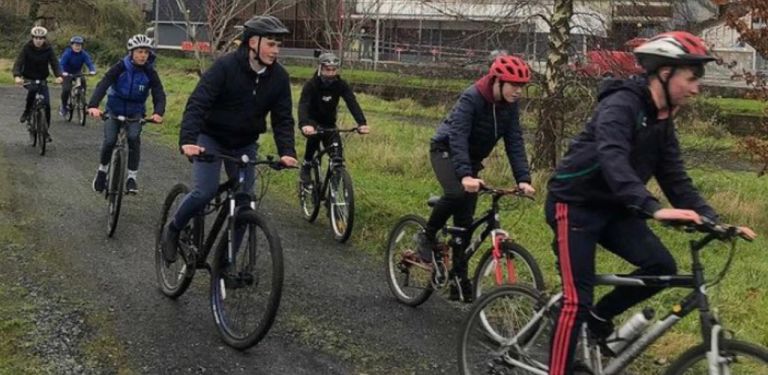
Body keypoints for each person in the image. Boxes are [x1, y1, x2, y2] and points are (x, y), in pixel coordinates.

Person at [545, 31, 757, 375]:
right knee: (575, 301)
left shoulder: (663, 121)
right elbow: (613, 160)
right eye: (691, 79)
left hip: (616, 209)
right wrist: (653, 207)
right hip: (575, 205)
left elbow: (675, 177)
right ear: (664, 73)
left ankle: (599, 319)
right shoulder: (620, 106)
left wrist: (711, 220)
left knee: (661, 267)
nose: (696, 88)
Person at [160, 15, 298, 263]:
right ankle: (174, 229)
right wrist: (188, 140)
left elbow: (283, 119)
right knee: (205, 191)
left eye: (278, 45)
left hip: (244, 143)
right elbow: (198, 103)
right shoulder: (225, 67)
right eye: (271, 44)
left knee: (245, 202)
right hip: (210, 137)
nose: (276, 50)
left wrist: (287, 151)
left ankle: (227, 262)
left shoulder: (279, 78)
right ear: (253, 42)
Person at [416, 55, 536, 302]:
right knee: (457, 193)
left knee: (465, 224)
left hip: (470, 161)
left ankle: (458, 280)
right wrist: (464, 175)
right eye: (514, 84)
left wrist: (523, 179)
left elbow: (515, 141)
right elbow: (457, 136)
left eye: (522, 86)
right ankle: (426, 236)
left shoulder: (509, 107)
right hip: (445, 150)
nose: (518, 91)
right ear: (497, 81)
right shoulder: (472, 97)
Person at [87, 34, 165, 194]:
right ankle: (102, 171)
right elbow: (104, 84)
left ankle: (131, 177)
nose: (143, 55)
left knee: (133, 139)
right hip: (114, 110)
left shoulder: (150, 72)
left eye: (146, 52)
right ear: (131, 53)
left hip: (135, 112)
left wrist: (158, 112)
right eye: (139, 52)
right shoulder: (120, 67)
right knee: (109, 141)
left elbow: (159, 93)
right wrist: (93, 105)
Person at [299, 52, 369, 183]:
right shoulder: (311, 84)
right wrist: (304, 124)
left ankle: (335, 188)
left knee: (337, 156)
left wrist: (362, 123)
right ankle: (306, 165)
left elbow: (352, 102)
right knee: (314, 139)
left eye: (334, 70)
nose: (331, 73)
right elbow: (303, 104)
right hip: (312, 123)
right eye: (327, 70)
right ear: (320, 68)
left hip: (330, 123)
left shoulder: (340, 84)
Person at [12, 26, 63, 143]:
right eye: (36, 38)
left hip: (42, 79)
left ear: (44, 39)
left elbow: (55, 63)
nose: (38, 40)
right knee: (33, 89)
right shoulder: (26, 48)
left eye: (41, 38)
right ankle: (27, 111)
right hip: (29, 78)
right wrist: (17, 76)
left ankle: (45, 131)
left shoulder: (48, 49)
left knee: (47, 105)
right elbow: (18, 63)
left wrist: (59, 76)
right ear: (32, 38)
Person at [59, 35, 97, 117]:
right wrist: (63, 72)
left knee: (83, 82)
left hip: (77, 72)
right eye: (76, 45)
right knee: (66, 89)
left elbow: (89, 63)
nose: (77, 47)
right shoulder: (67, 53)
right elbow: (61, 64)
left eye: (79, 45)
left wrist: (92, 70)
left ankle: (82, 99)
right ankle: (64, 106)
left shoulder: (83, 54)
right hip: (67, 73)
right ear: (72, 45)